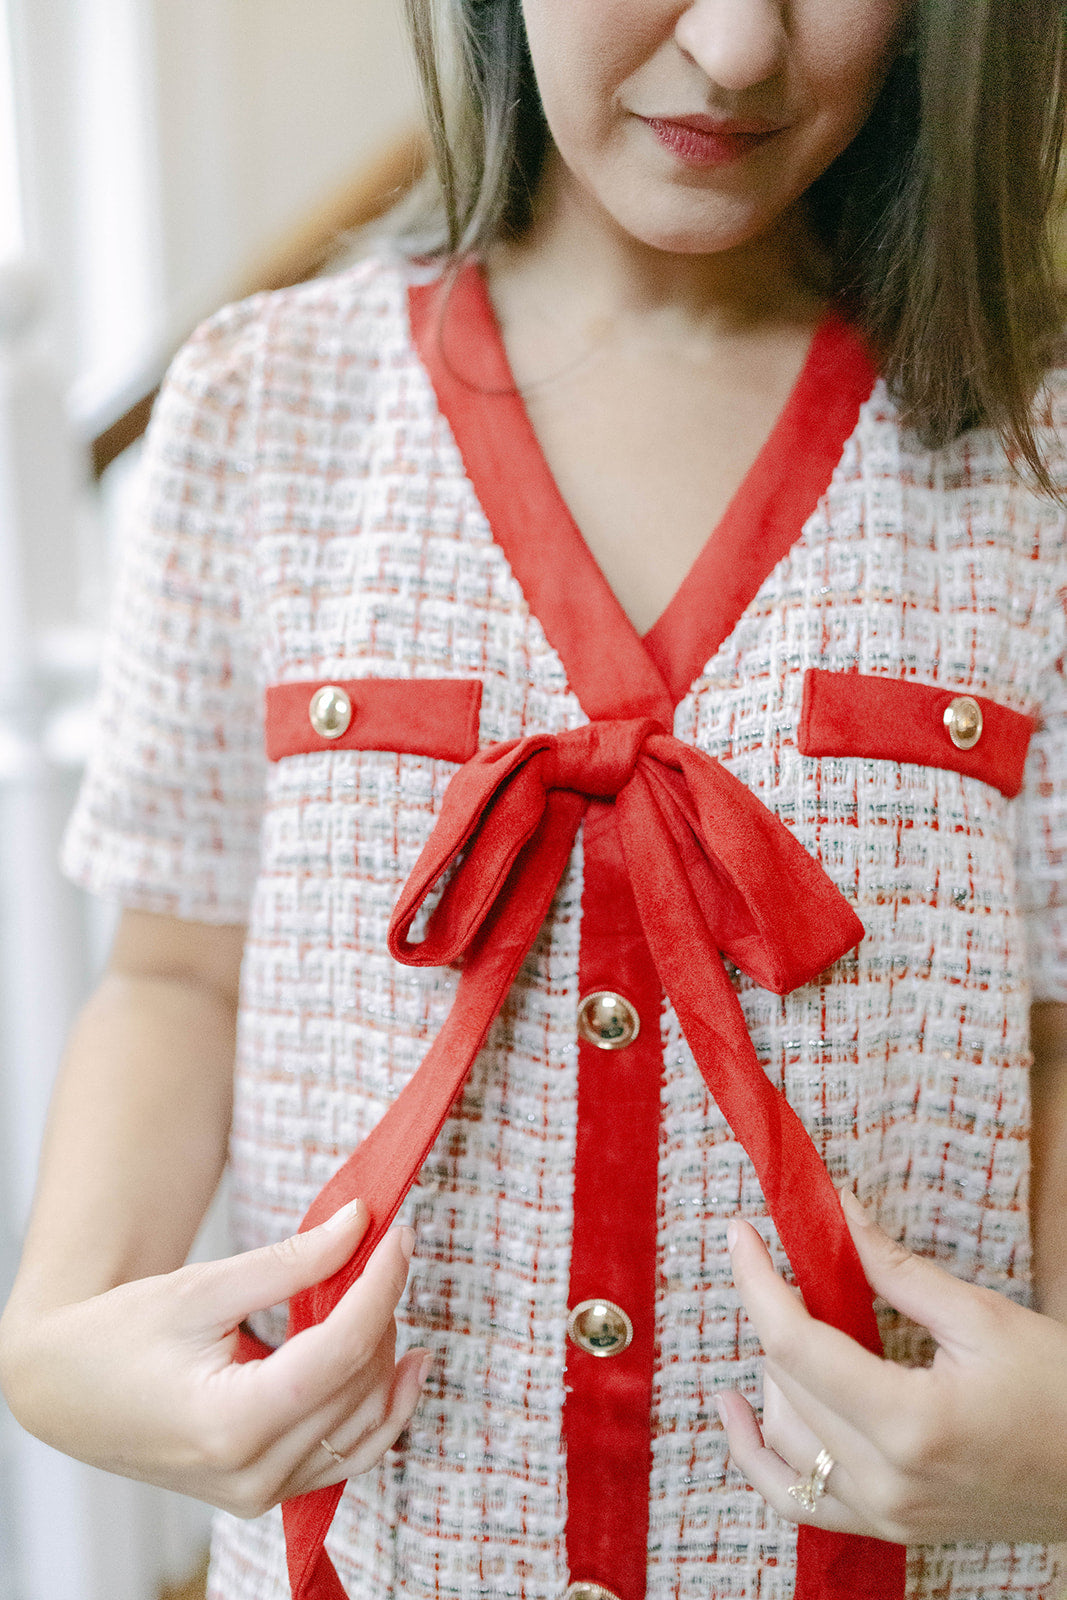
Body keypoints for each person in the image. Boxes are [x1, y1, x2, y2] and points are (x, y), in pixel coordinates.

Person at [2, 0, 1067, 1597]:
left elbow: (1054, 1042)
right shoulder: (264, 411)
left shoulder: (1037, 449)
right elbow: (176, 969)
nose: (735, 50)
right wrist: (54, 1341)